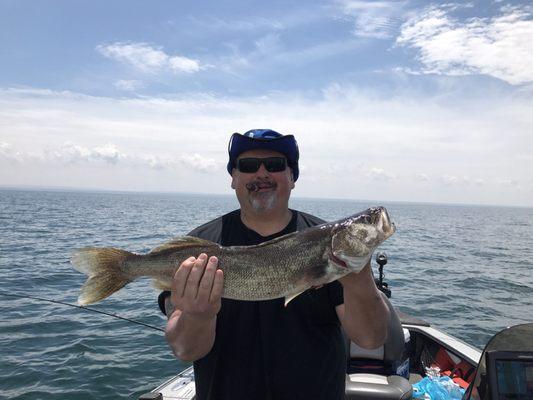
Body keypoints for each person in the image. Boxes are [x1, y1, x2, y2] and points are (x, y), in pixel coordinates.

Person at [159, 129, 390, 400]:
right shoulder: (197, 246)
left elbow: (371, 339)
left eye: (275, 165)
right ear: (233, 179)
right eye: (247, 166)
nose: (261, 173)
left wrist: (359, 279)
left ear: (292, 178)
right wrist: (197, 315)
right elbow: (185, 350)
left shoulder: (329, 245)